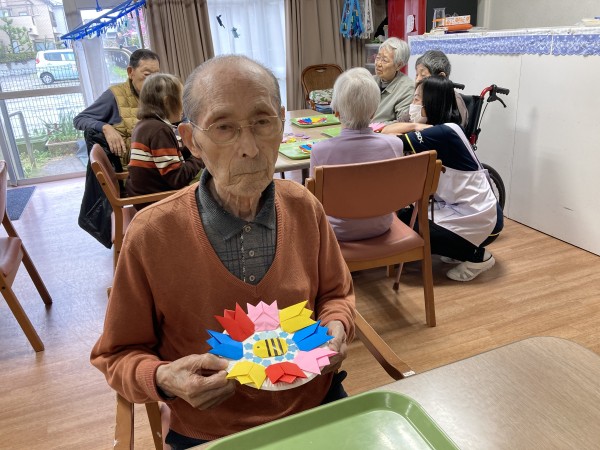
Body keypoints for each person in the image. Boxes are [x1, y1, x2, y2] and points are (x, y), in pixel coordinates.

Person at [90, 55, 355, 449]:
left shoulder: (304, 207)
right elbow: (117, 355)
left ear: (282, 123)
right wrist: (164, 378)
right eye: (224, 127)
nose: (249, 148)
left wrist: (337, 324)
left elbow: (336, 294)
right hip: (211, 429)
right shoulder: (151, 234)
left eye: (263, 122)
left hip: (315, 404)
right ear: (190, 139)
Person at [396, 76, 503, 281]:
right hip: (460, 209)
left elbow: (392, 138)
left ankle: (478, 257)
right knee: (406, 217)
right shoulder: (444, 128)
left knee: (409, 224)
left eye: (417, 99)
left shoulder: (444, 132)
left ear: (431, 103)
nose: (412, 104)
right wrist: (416, 126)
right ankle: (457, 248)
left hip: (482, 218)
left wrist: (414, 127)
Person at [310, 67, 404, 241]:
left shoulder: (319, 151)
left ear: (336, 112)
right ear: (374, 112)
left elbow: (315, 202)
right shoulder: (395, 145)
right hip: (381, 226)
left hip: (337, 232)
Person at [125, 73, 203, 209]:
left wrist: (191, 148)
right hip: (157, 202)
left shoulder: (144, 125)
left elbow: (168, 156)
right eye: (182, 99)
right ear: (167, 102)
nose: (184, 106)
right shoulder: (159, 131)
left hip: (144, 197)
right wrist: (198, 157)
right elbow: (177, 178)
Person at [73, 48, 161, 166]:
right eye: (147, 75)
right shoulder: (115, 95)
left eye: (157, 75)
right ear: (130, 72)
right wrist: (105, 127)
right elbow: (79, 119)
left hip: (161, 157)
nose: (153, 81)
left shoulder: (162, 92)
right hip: (138, 167)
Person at [381, 49, 468, 134]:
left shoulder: (454, 101)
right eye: (416, 75)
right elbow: (400, 122)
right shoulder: (420, 97)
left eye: (423, 75)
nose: (417, 80)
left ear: (441, 76)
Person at [371, 37, 414, 123]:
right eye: (378, 57)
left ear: (399, 65)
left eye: (384, 60)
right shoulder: (370, 81)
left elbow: (402, 123)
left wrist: (374, 126)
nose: (378, 64)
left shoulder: (407, 88)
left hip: (382, 131)